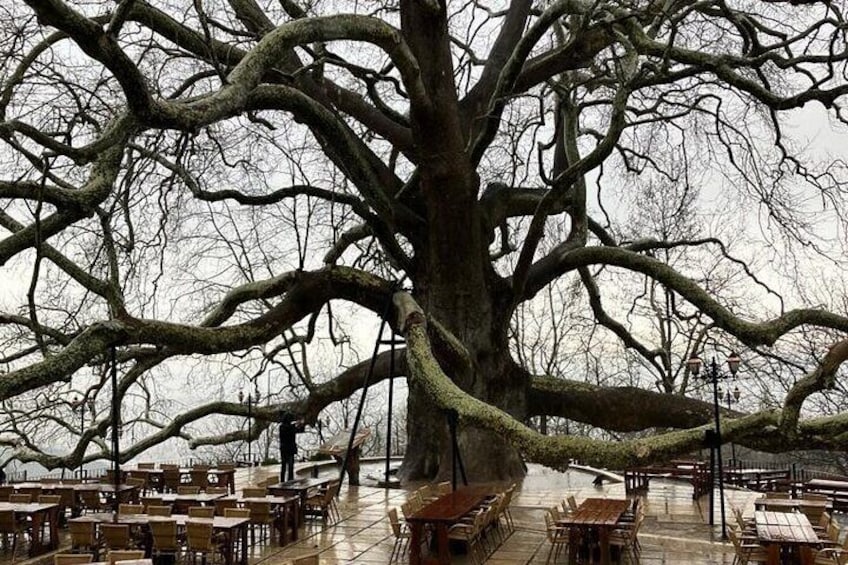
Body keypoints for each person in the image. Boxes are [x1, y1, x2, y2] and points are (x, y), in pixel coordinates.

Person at [279, 412, 305, 483]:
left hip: (287, 449)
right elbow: (290, 431)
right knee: (286, 466)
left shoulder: (287, 427)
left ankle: (289, 480)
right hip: (287, 449)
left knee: (288, 466)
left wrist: (301, 424)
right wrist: (297, 424)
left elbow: (299, 430)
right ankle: (284, 480)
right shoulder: (283, 427)